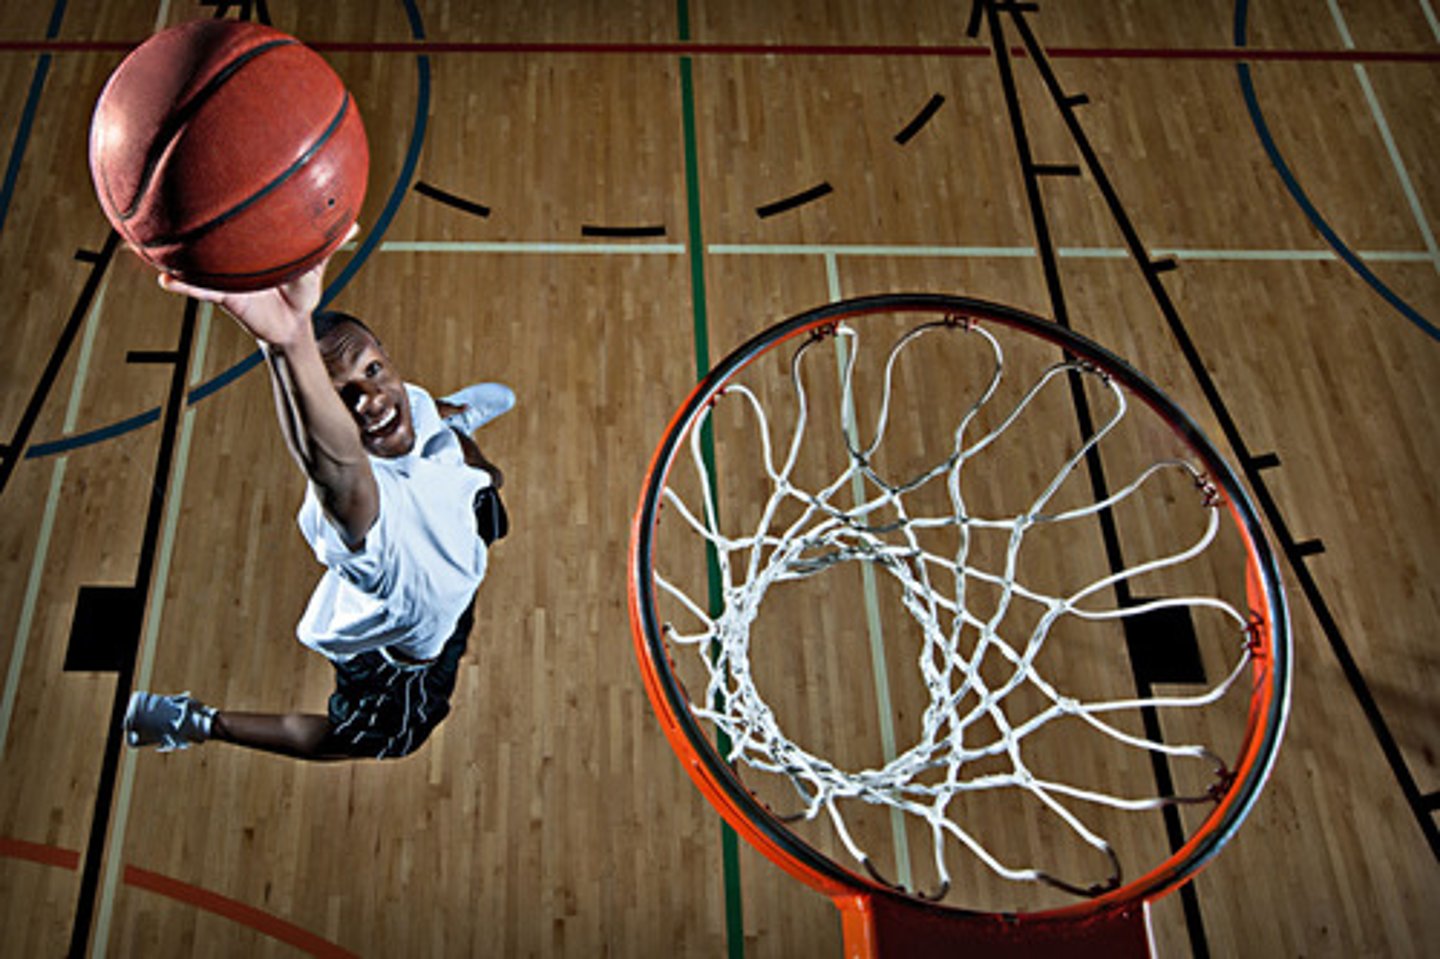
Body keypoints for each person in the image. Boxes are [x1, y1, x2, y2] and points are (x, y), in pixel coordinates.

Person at [122, 236, 513, 760]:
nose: (370, 398)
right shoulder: (366, 516)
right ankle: (193, 722)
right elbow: (338, 468)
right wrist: (284, 341)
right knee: (380, 742)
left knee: (475, 473)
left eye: (372, 370)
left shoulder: (403, 407)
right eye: (340, 396)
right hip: (407, 651)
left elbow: (395, 400)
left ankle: (454, 417)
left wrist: (432, 417)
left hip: (451, 549)